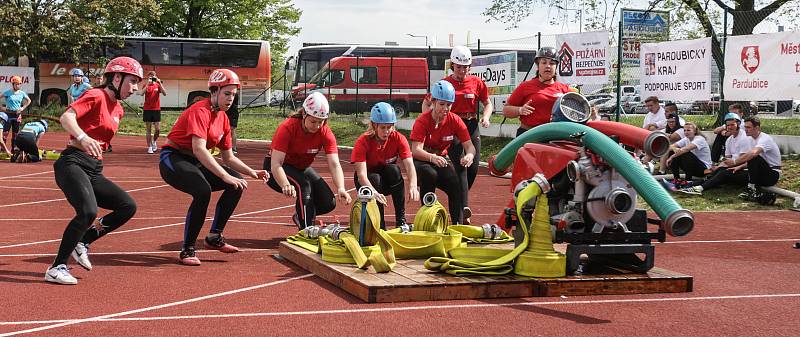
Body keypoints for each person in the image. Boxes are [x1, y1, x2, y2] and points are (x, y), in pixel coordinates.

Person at [45, 56, 143, 285]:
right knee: (88, 211)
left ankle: (84, 241)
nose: (136, 88)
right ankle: (56, 267)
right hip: (72, 163)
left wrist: (95, 144)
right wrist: (82, 137)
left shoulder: (118, 109)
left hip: (93, 168)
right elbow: (66, 117)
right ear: (116, 78)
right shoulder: (95, 95)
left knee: (127, 206)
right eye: (132, 81)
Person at [159, 69, 268, 266]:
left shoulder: (223, 119)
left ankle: (213, 237)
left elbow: (228, 157)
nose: (231, 99)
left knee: (237, 184)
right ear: (214, 92)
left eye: (234, 95)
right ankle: (187, 249)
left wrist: (252, 172)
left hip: (194, 160)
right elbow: (200, 149)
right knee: (203, 190)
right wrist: (225, 176)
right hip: (173, 159)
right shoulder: (200, 111)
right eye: (227, 94)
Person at [422, 46, 491, 224]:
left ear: (470, 66)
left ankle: (459, 199)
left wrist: (485, 117)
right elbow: (427, 104)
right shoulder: (444, 83)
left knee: (473, 167)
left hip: (471, 124)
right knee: (461, 166)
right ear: (452, 65)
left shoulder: (477, 83)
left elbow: (487, 103)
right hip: (451, 126)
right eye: (458, 66)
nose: (462, 70)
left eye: (465, 67)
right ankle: (463, 209)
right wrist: (430, 122)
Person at [264, 92, 352, 229]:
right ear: (304, 114)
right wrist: (285, 183)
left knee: (328, 202)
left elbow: (334, 164)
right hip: (275, 169)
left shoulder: (325, 133)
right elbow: (276, 163)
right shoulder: (287, 128)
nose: (316, 126)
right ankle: (305, 230)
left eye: (320, 122)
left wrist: (341, 187)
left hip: (300, 167)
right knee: (304, 185)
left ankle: (301, 216)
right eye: (313, 121)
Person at [410, 80, 476, 225]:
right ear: (433, 102)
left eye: (449, 105)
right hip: (423, 160)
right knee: (430, 174)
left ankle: (457, 223)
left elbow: (470, 146)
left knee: (455, 184)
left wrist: (469, 156)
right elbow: (416, 150)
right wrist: (432, 158)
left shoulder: (455, 120)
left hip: (440, 160)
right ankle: (427, 220)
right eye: (442, 104)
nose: (445, 108)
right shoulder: (422, 121)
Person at [352, 102, 419, 229]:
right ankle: (380, 224)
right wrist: (374, 193)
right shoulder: (362, 141)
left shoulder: (398, 138)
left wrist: (413, 186)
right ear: (374, 125)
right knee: (375, 178)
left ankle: (401, 220)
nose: (387, 131)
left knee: (394, 169)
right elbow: (361, 176)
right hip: (367, 181)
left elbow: (409, 165)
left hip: (387, 180)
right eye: (383, 127)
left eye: (390, 127)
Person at [503, 46, 571, 137]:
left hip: (555, 136)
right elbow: (506, 110)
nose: (548, 66)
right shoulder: (525, 86)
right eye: (544, 62)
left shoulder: (565, 89)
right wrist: (520, 110)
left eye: (552, 63)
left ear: (556, 67)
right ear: (538, 66)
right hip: (529, 135)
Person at [680, 113, 753, 195]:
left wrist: (726, 166)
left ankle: (700, 188)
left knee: (723, 172)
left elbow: (743, 160)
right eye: (728, 125)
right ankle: (690, 185)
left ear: (739, 124)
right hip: (734, 167)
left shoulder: (744, 138)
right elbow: (727, 160)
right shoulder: (729, 140)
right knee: (718, 170)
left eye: (732, 124)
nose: (730, 127)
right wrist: (718, 166)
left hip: (744, 170)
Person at [725, 116, 781, 204]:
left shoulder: (765, 139)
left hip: (772, 174)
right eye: (745, 127)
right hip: (759, 172)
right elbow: (751, 161)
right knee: (729, 173)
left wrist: (735, 162)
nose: (745, 130)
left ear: (757, 128)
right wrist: (739, 167)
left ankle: (751, 189)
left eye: (748, 127)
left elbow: (753, 155)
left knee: (753, 156)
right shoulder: (750, 139)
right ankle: (700, 184)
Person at [139, 70, 167, 154]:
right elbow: (141, 93)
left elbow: (165, 93)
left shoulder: (157, 85)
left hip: (156, 109)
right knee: (148, 129)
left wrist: (159, 83)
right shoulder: (146, 85)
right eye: (150, 77)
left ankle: (154, 141)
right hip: (147, 109)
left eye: (153, 77)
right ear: (148, 78)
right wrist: (147, 84)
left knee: (158, 129)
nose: (151, 79)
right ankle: (150, 147)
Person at [1, 76, 31, 150]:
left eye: (19, 84)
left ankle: (13, 149)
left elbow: (29, 100)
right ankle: (2, 149)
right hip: (8, 115)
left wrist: (22, 108)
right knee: (5, 133)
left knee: (15, 134)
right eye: (16, 84)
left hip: (17, 115)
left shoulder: (22, 93)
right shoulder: (7, 92)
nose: (18, 85)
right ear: (13, 84)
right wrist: (2, 108)